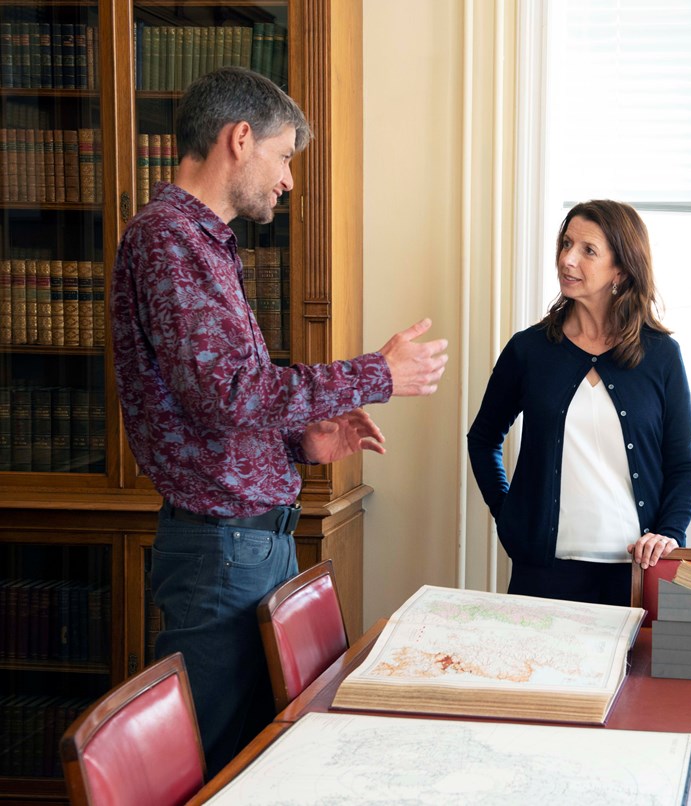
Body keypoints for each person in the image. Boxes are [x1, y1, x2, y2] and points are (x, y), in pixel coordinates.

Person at [110, 67, 449, 772]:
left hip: (246, 546)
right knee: (215, 773)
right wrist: (375, 374)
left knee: (260, 762)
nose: (288, 179)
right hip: (220, 553)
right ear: (240, 140)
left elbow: (225, 401)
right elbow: (226, 394)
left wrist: (300, 441)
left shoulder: (204, 245)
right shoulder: (167, 240)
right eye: (284, 154)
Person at [467, 200, 691, 606]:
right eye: (565, 243)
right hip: (542, 570)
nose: (566, 259)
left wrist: (670, 533)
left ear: (621, 270)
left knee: (632, 671)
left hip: (633, 571)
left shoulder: (661, 355)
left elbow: (682, 464)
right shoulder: (529, 351)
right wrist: (510, 515)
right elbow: (483, 439)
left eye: (587, 250)